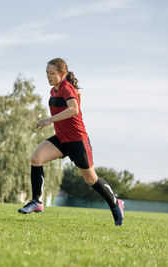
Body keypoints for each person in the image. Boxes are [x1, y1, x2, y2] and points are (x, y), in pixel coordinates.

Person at [18, 58, 124, 226]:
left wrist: (49, 120)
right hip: (61, 139)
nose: (49, 77)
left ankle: (115, 203)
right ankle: (36, 201)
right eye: (47, 73)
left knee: (91, 179)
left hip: (77, 140)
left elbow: (74, 109)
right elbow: (78, 95)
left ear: (63, 74)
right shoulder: (54, 90)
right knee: (36, 159)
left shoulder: (66, 88)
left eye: (52, 73)